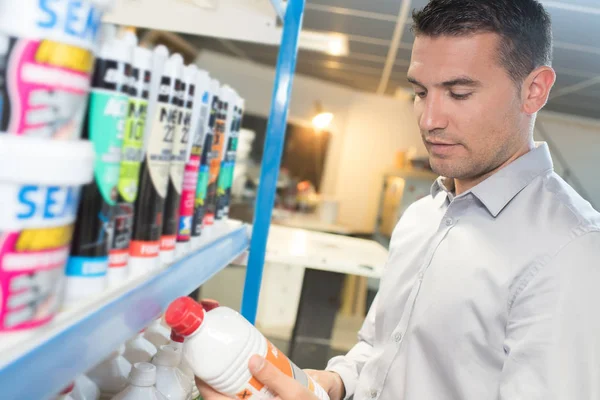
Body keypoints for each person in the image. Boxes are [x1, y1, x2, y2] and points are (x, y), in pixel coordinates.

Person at [199, 0, 600, 399]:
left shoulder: (571, 250)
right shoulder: (422, 217)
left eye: (458, 93)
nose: (429, 120)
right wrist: (333, 384)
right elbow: (379, 351)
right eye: (420, 92)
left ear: (533, 90)